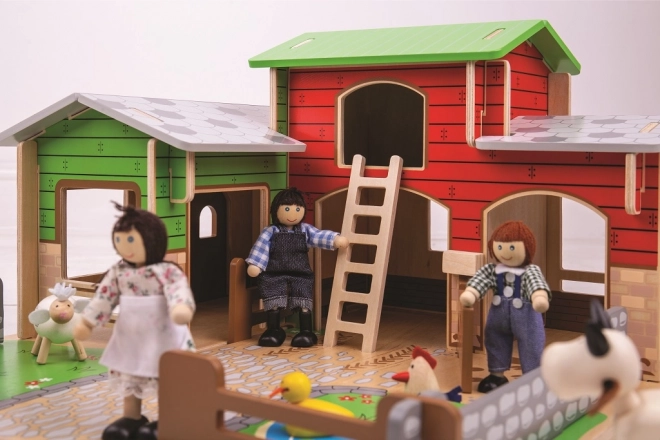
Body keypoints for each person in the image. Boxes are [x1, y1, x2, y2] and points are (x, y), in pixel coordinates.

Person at [74, 203, 196, 440]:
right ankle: (132, 417)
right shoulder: (119, 273)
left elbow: (178, 291)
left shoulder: (166, 271)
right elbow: (104, 298)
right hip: (131, 337)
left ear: (152, 239)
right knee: (130, 374)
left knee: (165, 376)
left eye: (131, 240)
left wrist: (180, 307)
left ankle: (168, 418)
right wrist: (88, 322)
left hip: (164, 337)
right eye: (120, 240)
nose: (125, 246)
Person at [246, 188, 348, 347]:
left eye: (298, 209)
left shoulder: (305, 230)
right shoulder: (270, 231)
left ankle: (306, 332)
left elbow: (318, 235)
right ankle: (274, 330)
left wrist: (335, 240)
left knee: (303, 301)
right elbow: (261, 248)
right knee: (273, 299)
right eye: (287, 209)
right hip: (274, 274)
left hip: (300, 274)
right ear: (276, 210)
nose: (293, 214)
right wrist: (256, 264)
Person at [460, 221, 551, 393]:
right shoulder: (492, 270)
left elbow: (536, 284)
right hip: (498, 315)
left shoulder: (530, 271)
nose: (504, 252)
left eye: (511, 248)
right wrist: (471, 293)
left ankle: (533, 378)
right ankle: (497, 375)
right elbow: (480, 280)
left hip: (526, 316)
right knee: (494, 338)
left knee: (531, 344)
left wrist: (539, 297)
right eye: (500, 247)